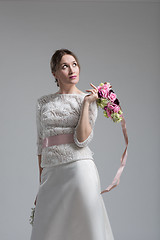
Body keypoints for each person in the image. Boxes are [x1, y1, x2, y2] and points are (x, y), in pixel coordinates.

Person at [30, 48, 114, 240]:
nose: (71, 70)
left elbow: (81, 140)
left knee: (84, 227)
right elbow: (40, 143)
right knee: (49, 231)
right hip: (51, 172)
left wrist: (86, 104)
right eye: (64, 66)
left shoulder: (89, 100)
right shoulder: (43, 103)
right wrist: (40, 182)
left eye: (74, 64)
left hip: (79, 169)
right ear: (55, 73)